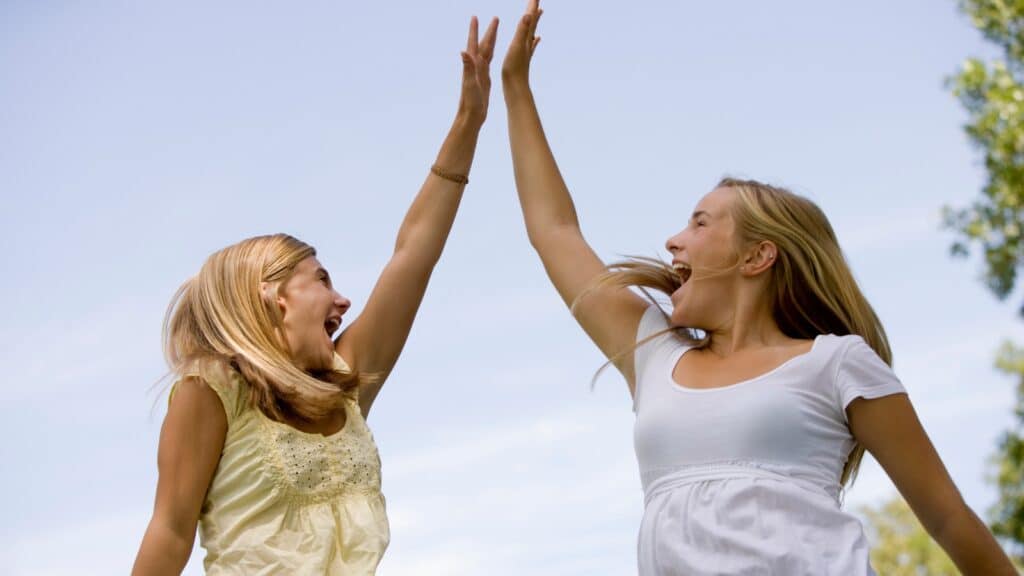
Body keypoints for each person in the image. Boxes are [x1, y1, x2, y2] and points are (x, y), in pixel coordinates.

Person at [501, 1, 1018, 574]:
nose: (673, 240)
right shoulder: (654, 359)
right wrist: (516, 91)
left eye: (699, 223)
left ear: (758, 255)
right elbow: (554, 232)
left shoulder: (838, 363)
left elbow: (947, 517)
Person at [131, 15, 498, 575]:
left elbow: (413, 256)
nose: (344, 301)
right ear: (272, 296)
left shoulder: (344, 388)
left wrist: (469, 122)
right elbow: (170, 531)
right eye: (322, 280)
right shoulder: (211, 389)